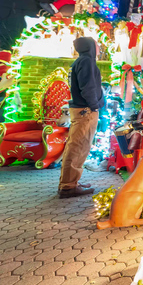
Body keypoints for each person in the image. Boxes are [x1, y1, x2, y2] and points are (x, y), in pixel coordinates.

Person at [58, 37, 105, 198]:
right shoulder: (86, 62)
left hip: (81, 109)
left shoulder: (79, 62)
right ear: (90, 47)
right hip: (85, 111)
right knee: (79, 147)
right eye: (96, 45)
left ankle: (70, 182)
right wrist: (95, 105)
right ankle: (68, 186)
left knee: (76, 146)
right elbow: (88, 88)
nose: (98, 48)